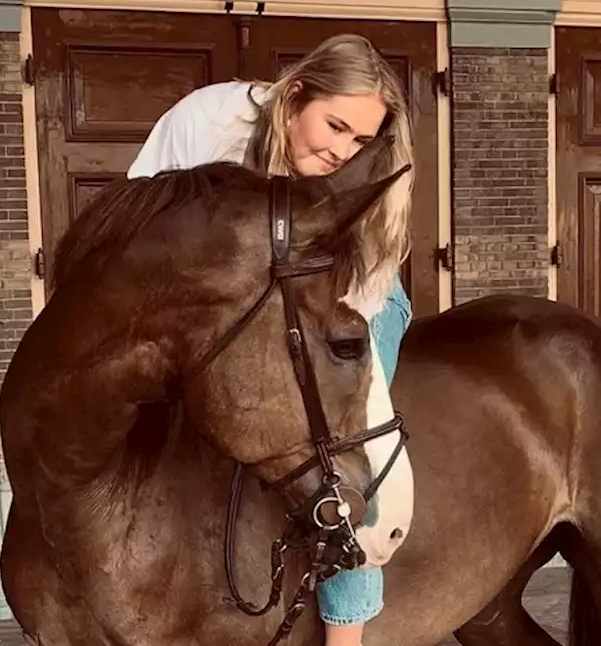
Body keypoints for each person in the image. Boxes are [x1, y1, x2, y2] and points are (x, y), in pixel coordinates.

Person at [126, 33, 415, 646]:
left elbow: (361, 286)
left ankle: (347, 632)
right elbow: (135, 221)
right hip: (221, 299)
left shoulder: (369, 166)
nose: (344, 151)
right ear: (295, 95)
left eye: (361, 139)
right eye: (335, 126)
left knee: (347, 447)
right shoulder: (211, 120)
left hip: (349, 295)